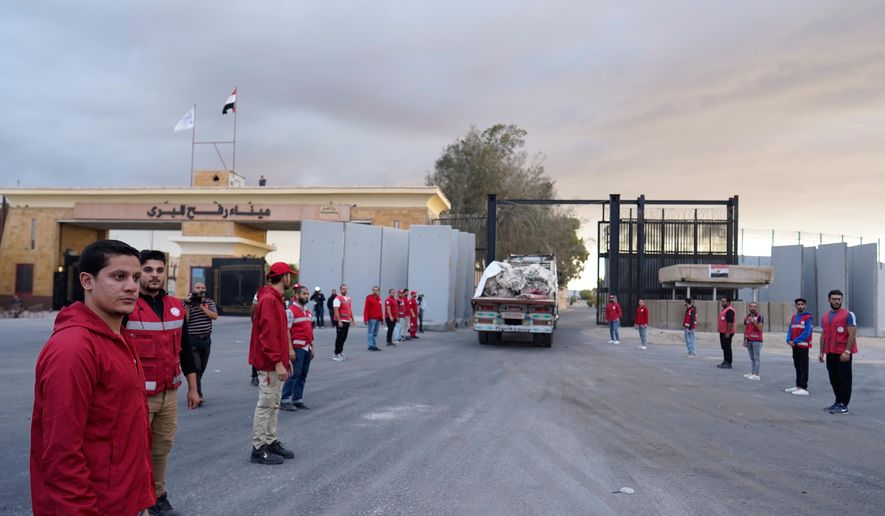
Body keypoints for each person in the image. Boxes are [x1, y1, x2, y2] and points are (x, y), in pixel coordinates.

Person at [30, 240, 155, 515]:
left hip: (127, 500)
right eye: (118, 277)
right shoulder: (74, 348)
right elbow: (61, 452)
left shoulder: (119, 338)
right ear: (87, 280)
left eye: (135, 277)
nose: (132, 287)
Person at [128, 250, 200, 516]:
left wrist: (193, 388)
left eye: (159, 270)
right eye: (148, 270)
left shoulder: (176, 306)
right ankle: (136, 501)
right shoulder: (127, 305)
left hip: (169, 393)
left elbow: (186, 348)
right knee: (134, 450)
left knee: (161, 448)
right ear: (139, 273)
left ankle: (158, 496)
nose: (154, 275)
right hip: (137, 396)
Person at [249, 262, 297, 464]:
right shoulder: (269, 299)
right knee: (266, 404)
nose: (291, 279)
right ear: (284, 277)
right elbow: (267, 335)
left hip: (276, 362)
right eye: (289, 276)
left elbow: (280, 333)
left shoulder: (275, 299)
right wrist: (277, 361)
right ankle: (259, 448)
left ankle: (270, 440)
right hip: (269, 364)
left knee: (274, 404)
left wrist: (285, 361)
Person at [819, 289, 857, 415]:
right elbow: (823, 335)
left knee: (844, 379)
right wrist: (821, 352)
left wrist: (847, 351)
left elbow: (852, 334)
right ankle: (838, 401)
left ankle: (843, 405)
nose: (837, 301)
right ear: (829, 300)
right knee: (833, 378)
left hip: (842, 353)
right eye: (834, 299)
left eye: (839, 299)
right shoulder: (825, 317)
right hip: (830, 352)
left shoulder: (848, 315)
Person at [281, 286, 315, 411]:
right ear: (297, 295)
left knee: (303, 375)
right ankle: (284, 399)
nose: (306, 296)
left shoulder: (308, 311)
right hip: (297, 348)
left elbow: (310, 331)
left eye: (307, 293)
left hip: (307, 347)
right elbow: (286, 331)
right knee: (294, 374)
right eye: (304, 294)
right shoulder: (290, 311)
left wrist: (312, 347)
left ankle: (297, 399)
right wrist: (290, 349)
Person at [185, 282, 217, 401]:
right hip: (192, 340)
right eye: (198, 288)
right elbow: (185, 320)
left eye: (202, 288)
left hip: (206, 340)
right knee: (197, 368)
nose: (200, 290)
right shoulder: (187, 301)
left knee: (202, 368)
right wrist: (188, 305)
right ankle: (197, 394)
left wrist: (201, 306)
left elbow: (214, 316)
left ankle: (194, 388)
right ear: (193, 289)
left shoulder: (209, 302)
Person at [785, 298, 814, 396]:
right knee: (797, 366)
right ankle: (798, 385)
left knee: (803, 367)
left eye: (802, 304)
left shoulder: (808, 317)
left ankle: (804, 387)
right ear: (796, 306)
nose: (800, 306)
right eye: (798, 304)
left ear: (805, 305)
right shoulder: (794, 317)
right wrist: (788, 339)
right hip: (795, 346)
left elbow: (807, 333)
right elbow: (790, 329)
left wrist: (795, 341)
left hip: (803, 346)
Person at [742, 302, 764, 380]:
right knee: (752, 357)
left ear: (756, 308)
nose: (753, 308)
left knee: (756, 357)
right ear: (749, 308)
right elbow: (745, 329)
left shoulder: (759, 317)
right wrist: (744, 340)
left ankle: (756, 374)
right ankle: (752, 372)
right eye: (751, 306)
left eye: (754, 307)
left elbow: (760, 328)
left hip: (757, 340)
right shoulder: (747, 317)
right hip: (749, 340)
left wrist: (754, 322)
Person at [332, 284, 353, 361]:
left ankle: (340, 352)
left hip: (347, 320)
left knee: (344, 337)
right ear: (340, 290)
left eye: (346, 289)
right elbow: (336, 310)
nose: (345, 290)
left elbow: (350, 309)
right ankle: (336, 354)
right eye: (343, 289)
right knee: (340, 337)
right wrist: (339, 321)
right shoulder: (337, 298)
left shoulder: (348, 298)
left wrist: (352, 319)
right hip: (341, 321)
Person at [716, 296, 736, 369]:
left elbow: (730, 322)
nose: (722, 303)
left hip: (727, 332)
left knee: (727, 347)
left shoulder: (729, 310)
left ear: (728, 302)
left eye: (724, 301)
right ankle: (725, 361)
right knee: (724, 347)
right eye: (722, 301)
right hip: (722, 332)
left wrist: (728, 332)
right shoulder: (725, 310)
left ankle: (729, 362)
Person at [364, 286, 383, 351]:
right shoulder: (369, 298)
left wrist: (381, 319)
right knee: (370, 332)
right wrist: (365, 319)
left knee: (375, 332)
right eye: (374, 290)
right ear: (372, 291)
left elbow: (380, 309)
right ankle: (370, 345)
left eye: (376, 290)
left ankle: (374, 345)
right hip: (371, 318)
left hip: (377, 318)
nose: (375, 291)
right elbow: (366, 309)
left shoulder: (379, 299)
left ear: (378, 291)